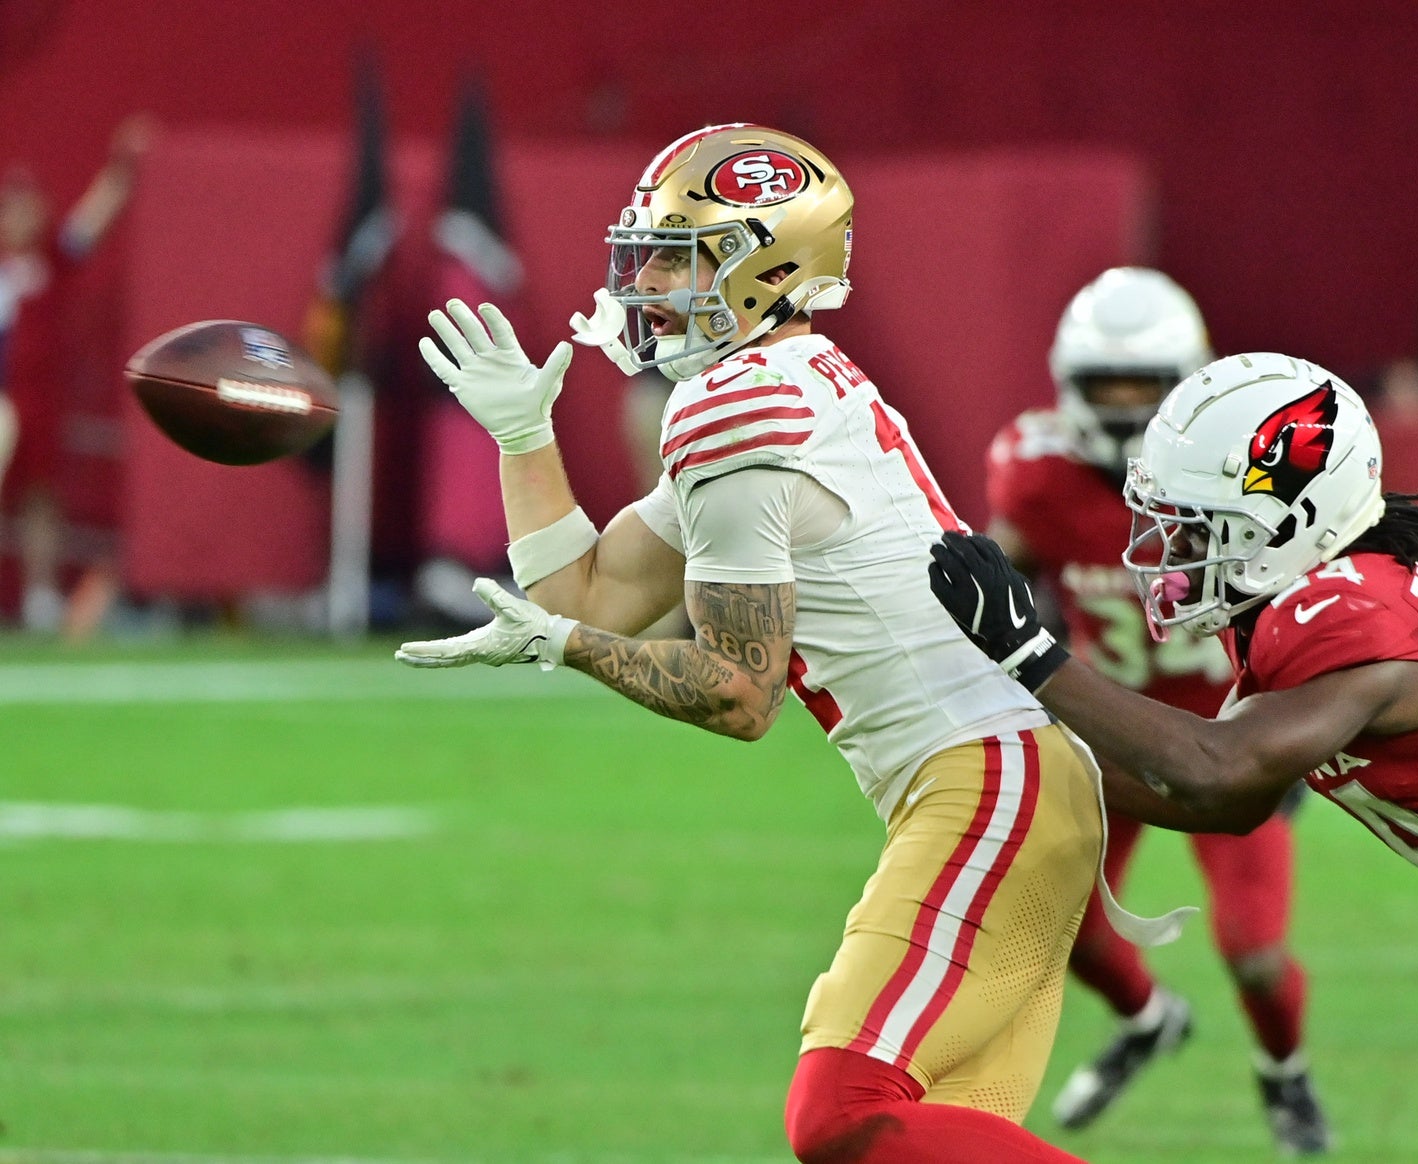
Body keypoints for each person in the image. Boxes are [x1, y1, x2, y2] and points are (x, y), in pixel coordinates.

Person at [395, 123, 1191, 1164]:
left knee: (841, 1113)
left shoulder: (736, 411)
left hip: (986, 779)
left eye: (681, 261)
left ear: (768, 273)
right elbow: (585, 590)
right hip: (1007, 779)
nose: (647, 286)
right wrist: (522, 440)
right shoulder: (776, 385)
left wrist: (565, 650)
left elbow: (736, 693)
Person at [927, 351, 1418, 1164]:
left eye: (1195, 523)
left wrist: (1030, 655)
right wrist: (1020, 745)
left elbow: (1213, 769)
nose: (1168, 550)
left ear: (1285, 521)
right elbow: (1231, 802)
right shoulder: (1317, 597)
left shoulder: (1345, 615)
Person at [985, 267, 1328, 1151]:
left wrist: (1291, 728)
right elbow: (1004, 566)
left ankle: (1283, 1074)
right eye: (1111, 387)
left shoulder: (1240, 475)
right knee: (1061, 930)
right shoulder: (1038, 476)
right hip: (1107, 732)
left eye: (1147, 385)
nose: (1130, 403)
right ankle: (1148, 1019)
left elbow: (1307, 597)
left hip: (1226, 737)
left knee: (1254, 949)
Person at [0, 114, 151, 634]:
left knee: (41, 498)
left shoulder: (52, 261)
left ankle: (41, 595)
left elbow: (93, 219)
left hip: (37, 399)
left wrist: (123, 166)